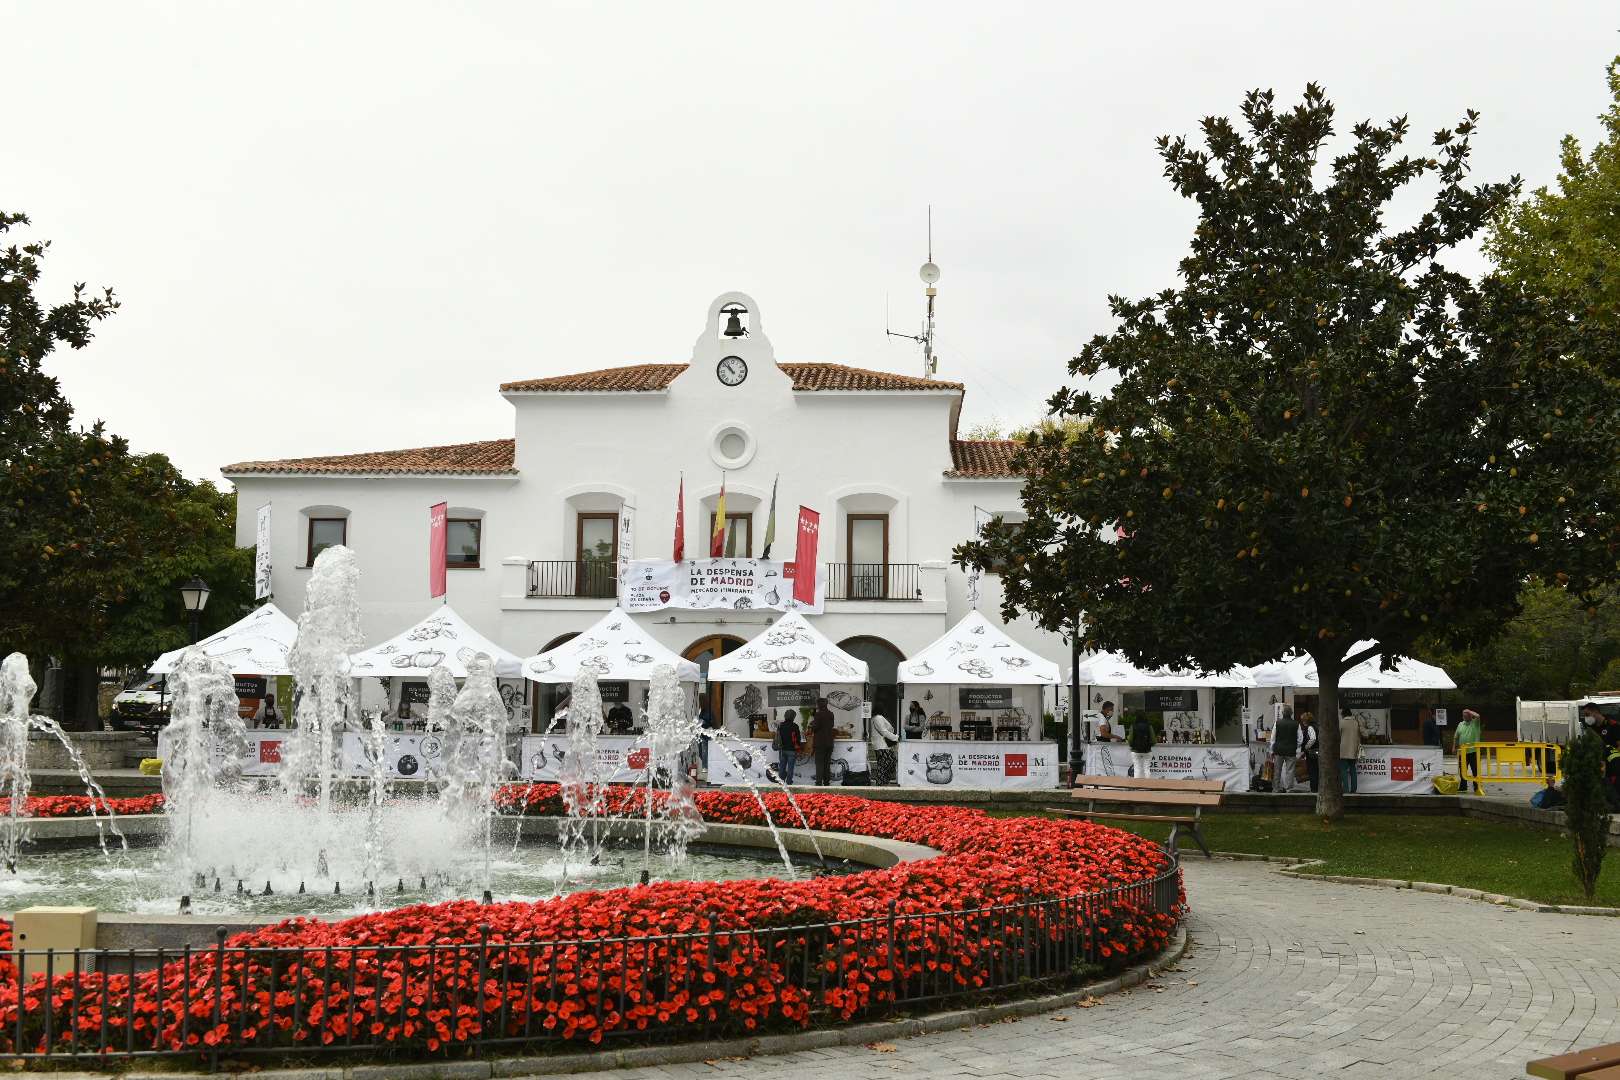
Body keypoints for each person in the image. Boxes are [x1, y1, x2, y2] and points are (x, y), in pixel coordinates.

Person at [1269, 706, 1300, 794]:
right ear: (1292, 713)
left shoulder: (1277, 723)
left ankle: (1276, 789)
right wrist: (1295, 746)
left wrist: (1272, 750)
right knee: (1290, 771)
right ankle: (1289, 789)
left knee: (1277, 771)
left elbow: (1273, 738)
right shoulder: (1296, 724)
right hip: (1291, 751)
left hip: (1279, 750)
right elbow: (1300, 739)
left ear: (1282, 713)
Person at [1454, 708, 1483, 793]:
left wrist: (1468, 711)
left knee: (1475, 769)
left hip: (1473, 751)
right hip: (1463, 751)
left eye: (1469, 717)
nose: (1467, 719)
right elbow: (1456, 737)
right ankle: (1463, 787)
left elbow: (1478, 716)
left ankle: (1476, 787)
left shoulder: (1475, 723)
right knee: (1462, 770)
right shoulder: (1460, 724)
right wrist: (1453, 747)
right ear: (1463, 717)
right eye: (1465, 717)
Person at [810, 697, 837, 786]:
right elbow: (831, 725)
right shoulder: (831, 714)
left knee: (819, 763)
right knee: (827, 762)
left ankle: (818, 783)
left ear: (819, 705)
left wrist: (811, 727)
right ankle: (827, 782)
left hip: (820, 742)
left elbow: (816, 727)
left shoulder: (818, 714)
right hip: (829, 741)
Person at [773, 708, 802, 784]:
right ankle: (789, 782)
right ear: (793, 717)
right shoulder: (795, 726)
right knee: (790, 767)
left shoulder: (781, 725)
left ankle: (781, 782)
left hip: (782, 749)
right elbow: (798, 738)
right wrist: (798, 747)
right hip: (792, 749)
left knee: (782, 766)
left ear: (785, 716)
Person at [870, 712, 899, 785]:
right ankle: (883, 781)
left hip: (877, 745)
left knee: (881, 764)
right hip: (883, 745)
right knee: (891, 761)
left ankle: (881, 782)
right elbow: (884, 731)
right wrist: (895, 737)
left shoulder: (873, 718)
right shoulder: (879, 718)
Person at [1127, 708, 1155, 779]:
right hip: (1147, 750)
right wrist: (1149, 745)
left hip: (1135, 750)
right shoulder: (1149, 726)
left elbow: (1130, 740)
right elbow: (1154, 741)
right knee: (1147, 769)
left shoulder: (1133, 726)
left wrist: (1132, 745)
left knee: (1137, 769)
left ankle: (1136, 787)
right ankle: (1148, 787)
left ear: (1136, 717)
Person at [1340, 706, 1362, 794]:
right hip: (1354, 749)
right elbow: (1365, 734)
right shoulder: (1357, 722)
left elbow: (1336, 735)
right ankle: (1354, 789)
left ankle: (1345, 790)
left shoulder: (1341, 722)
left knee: (1343, 769)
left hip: (1343, 749)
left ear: (1343, 715)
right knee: (1353, 768)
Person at [1299, 711, 1320, 793]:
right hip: (1317, 751)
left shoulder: (1310, 728)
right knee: (1316, 771)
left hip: (1312, 753)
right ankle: (1315, 788)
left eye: (1303, 720)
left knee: (1312, 771)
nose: (1302, 722)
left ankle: (1314, 789)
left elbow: (1313, 739)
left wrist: (1306, 747)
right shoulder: (1316, 727)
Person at [698, 701, 720, 774]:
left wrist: (700, 721)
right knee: (701, 750)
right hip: (702, 733)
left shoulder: (708, 710)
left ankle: (705, 766)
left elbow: (706, 720)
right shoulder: (702, 710)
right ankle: (705, 765)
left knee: (704, 751)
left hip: (707, 733)